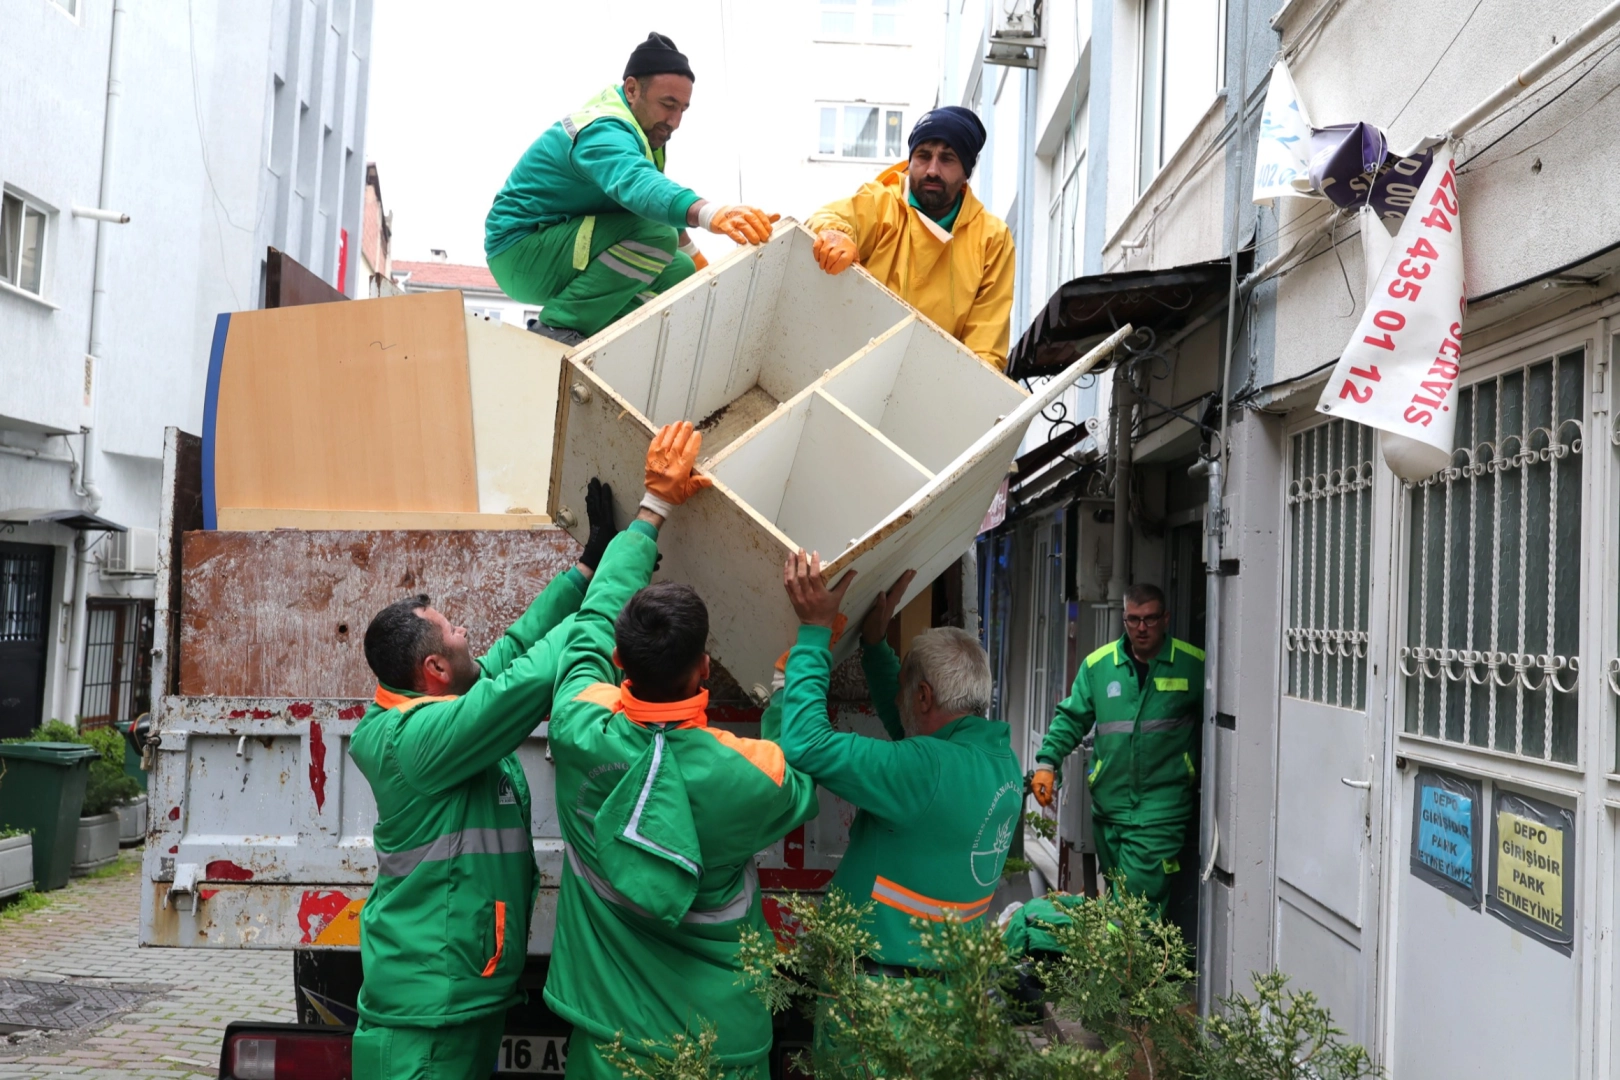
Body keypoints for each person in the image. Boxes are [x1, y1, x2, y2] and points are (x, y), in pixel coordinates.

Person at [544, 422, 821, 1079]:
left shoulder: (578, 730)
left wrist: (652, 511)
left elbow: (589, 621)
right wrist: (802, 651)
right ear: (704, 670)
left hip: (608, 1042)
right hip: (721, 1047)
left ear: (617, 662)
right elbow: (803, 761)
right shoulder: (747, 775)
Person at [348, 481, 619, 1080]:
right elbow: (523, 684)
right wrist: (613, 586)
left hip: (459, 998)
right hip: (424, 1025)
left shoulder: (431, 707)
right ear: (435, 670)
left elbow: (515, 651)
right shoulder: (416, 741)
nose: (468, 634)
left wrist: (586, 570)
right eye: (454, 632)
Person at [775, 554, 1022, 1050]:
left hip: (880, 1008)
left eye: (915, 696)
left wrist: (814, 632)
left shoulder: (925, 770)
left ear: (926, 696)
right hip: (943, 1000)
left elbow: (803, 741)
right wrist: (875, 648)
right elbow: (911, 731)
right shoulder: (998, 761)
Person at [485, 33, 779, 346]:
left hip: (561, 251)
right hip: (520, 252)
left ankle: (604, 341)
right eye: (668, 105)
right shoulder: (603, 129)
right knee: (656, 235)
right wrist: (709, 213)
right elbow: (639, 185)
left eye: (683, 109)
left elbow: (656, 209)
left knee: (679, 273)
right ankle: (558, 330)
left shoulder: (644, 136)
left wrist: (704, 272)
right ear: (632, 89)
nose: (675, 121)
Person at [1030, 583, 1204, 919]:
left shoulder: (1193, 666)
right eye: (1134, 619)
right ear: (1124, 619)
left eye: (1150, 619)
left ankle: (1120, 972)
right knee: (1121, 906)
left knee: (1135, 914)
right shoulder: (1099, 667)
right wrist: (1048, 763)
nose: (1142, 628)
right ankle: (1132, 969)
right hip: (1108, 812)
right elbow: (1071, 717)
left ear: (1165, 618)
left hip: (1159, 814)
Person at [805, 106, 1015, 370]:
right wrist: (836, 234)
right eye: (923, 156)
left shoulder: (992, 238)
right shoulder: (882, 203)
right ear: (910, 160)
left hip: (932, 384)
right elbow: (829, 217)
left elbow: (985, 348)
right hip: (853, 364)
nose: (932, 170)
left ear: (966, 171)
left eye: (947, 158)